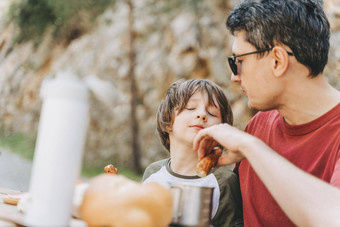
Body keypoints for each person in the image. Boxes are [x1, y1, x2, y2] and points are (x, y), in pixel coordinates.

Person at [193, 0, 340, 226]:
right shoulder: (258, 125)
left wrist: (251, 147)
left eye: (238, 62)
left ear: (277, 61)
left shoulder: (251, 142)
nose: (235, 76)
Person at [143, 79, 244, 227]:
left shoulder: (224, 182)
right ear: (168, 122)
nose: (202, 115)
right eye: (190, 108)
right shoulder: (152, 173)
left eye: (212, 113)